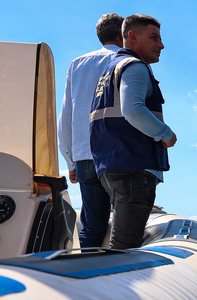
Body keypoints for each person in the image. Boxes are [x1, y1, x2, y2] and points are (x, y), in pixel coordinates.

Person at [90, 14, 177, 249]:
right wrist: (166, 134)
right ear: (132, 37)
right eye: (154, 37)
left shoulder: (110, 70)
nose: (161, 45)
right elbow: (133, 110)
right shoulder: (135, 67)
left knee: (120, 242)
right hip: (132, 168)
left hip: (111, 166)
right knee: (124, 248)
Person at [57, 13, 123, 248]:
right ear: (124, 34)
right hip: (120, 156)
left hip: (85, 156)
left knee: (92, 227)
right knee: (125, 228)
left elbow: (65, 117)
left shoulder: (77, 64)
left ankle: (86, 276)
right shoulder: (129, 61)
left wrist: (71, 162)